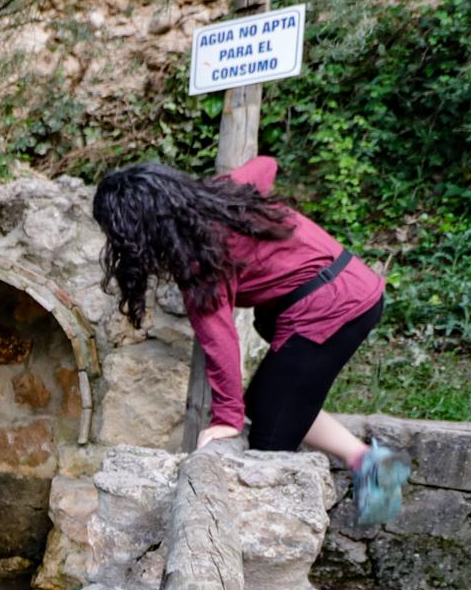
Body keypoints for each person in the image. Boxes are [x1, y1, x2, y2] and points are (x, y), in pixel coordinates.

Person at [92, 156, 409, 525]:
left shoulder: (198, 262)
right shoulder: (223, 194)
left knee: (268, 445)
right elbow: (267, 165)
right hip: (350, 288)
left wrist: (227, 417)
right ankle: (369, 462)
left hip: (332, 308)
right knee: (267, 401)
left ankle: (270, 554)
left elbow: (220, 341)